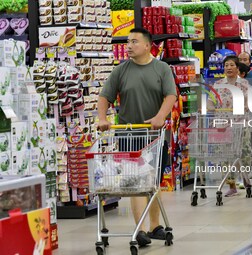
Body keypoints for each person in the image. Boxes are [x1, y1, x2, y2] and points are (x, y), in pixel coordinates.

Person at [97, 28, 177, 247]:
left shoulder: (162, 69)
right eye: (127, 41)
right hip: (128, 134)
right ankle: (140, 230)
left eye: (134, 41)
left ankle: (155, 226)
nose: (129, 45)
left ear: (147, 45)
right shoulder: (121, 70)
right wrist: (102, 118)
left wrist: (161, 116)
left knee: (153, 181)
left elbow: (171, 95)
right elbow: (105, 96)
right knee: (136, 182)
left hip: (155, 135)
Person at [207, 55, 252, 197]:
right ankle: (231, 185)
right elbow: (210, 101)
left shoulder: (244, 85)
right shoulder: (218, 84)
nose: (229, 68)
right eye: (226, 65)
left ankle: (245, 178)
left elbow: (250, 103)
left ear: (238, 68)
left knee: (244, 153)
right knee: (225, 154)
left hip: (240, 125)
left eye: (232, 65)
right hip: (222, 125)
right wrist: (209, 107)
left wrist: (244, 107)